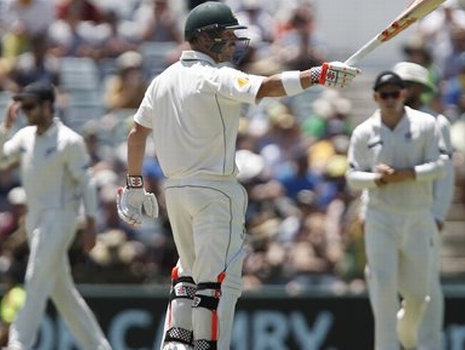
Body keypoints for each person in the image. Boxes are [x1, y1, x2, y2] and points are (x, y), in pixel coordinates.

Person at [114, 2, 360, 350]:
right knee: (217, 282)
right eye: (225, 35)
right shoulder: (216, 76)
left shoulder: (162, 80)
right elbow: (268, 87)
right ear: (202, 38)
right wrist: (317, 75)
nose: (232, 42)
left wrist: (134, 185)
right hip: (216, 192)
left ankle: (176, 342)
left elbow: (136, 133)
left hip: (177, 194)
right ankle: (205, 346)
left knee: (188, 272)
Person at [0, 82, 111, 350]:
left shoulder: (69, 140)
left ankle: (18, 344)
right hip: (35, 220)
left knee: (36, 278)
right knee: (62, 292)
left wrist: (91, 223)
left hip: (61, 218)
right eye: (24, 106)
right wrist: (5, 127)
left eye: (31, 106)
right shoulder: (24, 137)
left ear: (48, 105)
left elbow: (87, 183)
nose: (26, 111)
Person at [346, 71, 446, 350]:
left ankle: (408, 335)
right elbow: (352, 177)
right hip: (381, 218)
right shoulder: (364, 132)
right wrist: (377, 179)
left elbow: (440, 167)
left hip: (417, 217)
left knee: (418, 296)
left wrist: (408, 174)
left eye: (395, 93)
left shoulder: (426, 125)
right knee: (383, 289)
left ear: (404, 94)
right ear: (375, 97)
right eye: (384, 94)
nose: (390, 100)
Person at [393, 61, 456, 350]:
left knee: (426, 287)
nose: (402, 90)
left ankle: (428, 345)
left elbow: (445, 175)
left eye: (408, 84)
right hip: (389, 216)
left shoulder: (437, 122)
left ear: (420, 88)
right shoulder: (383, 120)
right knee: (388, 287)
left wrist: (438, 215)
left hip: (423, 216)